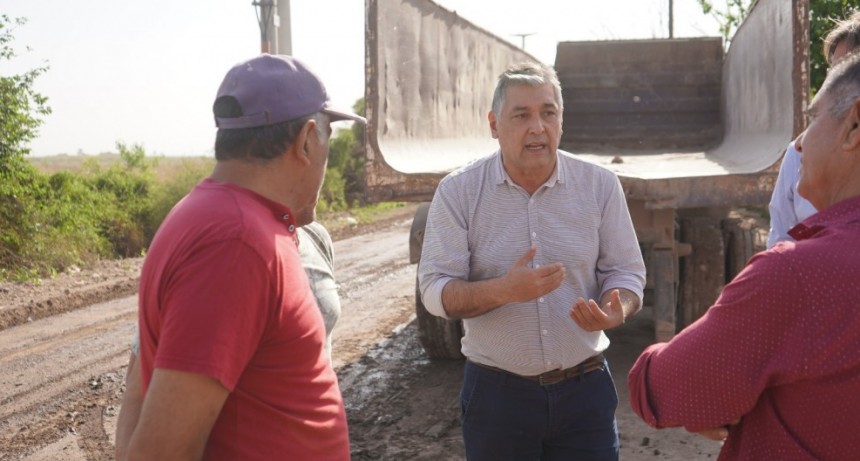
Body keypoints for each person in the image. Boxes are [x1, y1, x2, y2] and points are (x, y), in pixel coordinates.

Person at [117, 54, 364, 461]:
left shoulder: (215, 215)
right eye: (327, 141)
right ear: (305, 140)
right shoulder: (236, 243)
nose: (326, 159)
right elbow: (161, 452)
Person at [628, 50, 860, 461]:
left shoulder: (798, 274)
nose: (799, 143)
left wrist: (673, 372)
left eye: (811, 119)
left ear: (854, 125)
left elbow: (663, 387)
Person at [418, 61, 646, 461]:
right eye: (521, 115)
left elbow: (626, 272)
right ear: (493, 124)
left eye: (548, 113)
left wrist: (617, 308)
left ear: (561, 120)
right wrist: (504, 290)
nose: (537, 127)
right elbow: (436, 292)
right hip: (497, 398)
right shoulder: (458, 193)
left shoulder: (600, 186)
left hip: (585, 390)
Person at [767, 12, 860, 248]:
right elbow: (780, 240)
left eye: (849, 70)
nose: (837, 81)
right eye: (835, 70)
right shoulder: (799, 156)